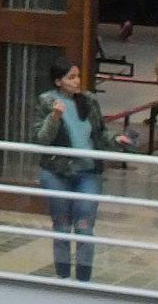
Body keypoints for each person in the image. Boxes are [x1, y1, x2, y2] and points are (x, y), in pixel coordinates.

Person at [34, 59, 133, 282]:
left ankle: (83, 279)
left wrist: (117, 139)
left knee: (85, 227)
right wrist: (55, 117)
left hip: (88, 172)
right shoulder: (46, 101)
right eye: (71, 77)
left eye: (78, 76)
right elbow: (42, 138)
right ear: (58, 81)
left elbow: (99, 134)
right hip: (57, 172)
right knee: (61, 226)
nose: (77, 81)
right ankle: (62, 276)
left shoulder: (88, 100)